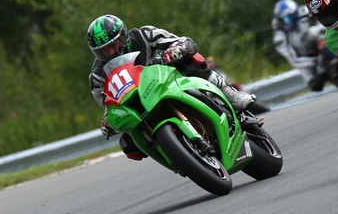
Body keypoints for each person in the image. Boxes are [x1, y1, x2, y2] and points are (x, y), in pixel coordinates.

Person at [87, 14, 255, 160]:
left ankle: (230, 93)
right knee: (128, 143)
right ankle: (174, 155)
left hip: (165, 81)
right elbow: (107, 104)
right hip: (138, 103)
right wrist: (107, 121)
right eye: (105, 51)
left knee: (190, 59)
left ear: (124, 35)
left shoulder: (143, 35)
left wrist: (175, 50)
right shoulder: (97, 76)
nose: (113, 52)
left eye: (116, 44)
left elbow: (183, 42)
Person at [271, 0, 334, 91]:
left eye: (293, 16)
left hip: (314, 40)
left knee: (318, 31)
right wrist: (317, 60)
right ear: (280, 20)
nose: (291, 20)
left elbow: (324, 15)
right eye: (286, 18)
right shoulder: (279, 38)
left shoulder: (304, 11)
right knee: (315, 85)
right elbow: (294, 60)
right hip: (304, 58)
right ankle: (328, 75)